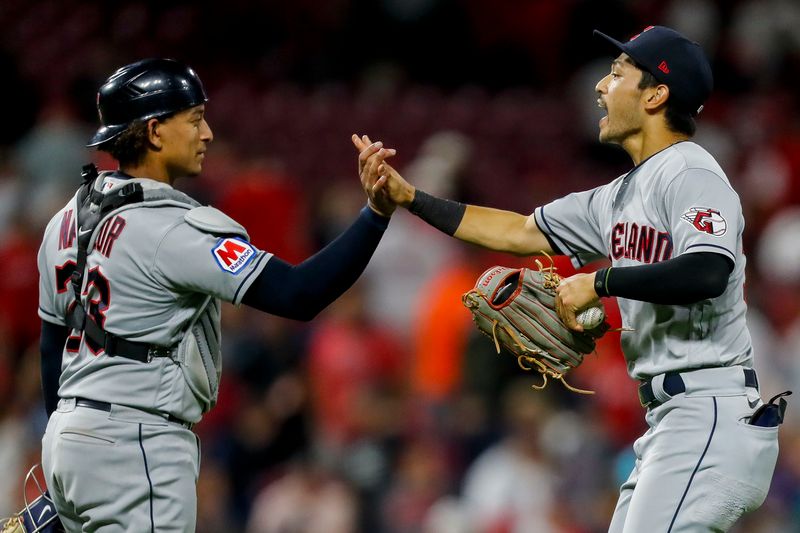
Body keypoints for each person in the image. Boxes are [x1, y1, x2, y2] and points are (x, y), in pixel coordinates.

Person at [357, 26, 784, 531]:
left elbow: (711, 270)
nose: (602, 86)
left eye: (617, 73)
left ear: (656, 94)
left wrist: (601, 282)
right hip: (673, 419)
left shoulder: (690, 171)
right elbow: (517, 230)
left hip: (709, 410)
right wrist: (410, 199)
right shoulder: (617, 195)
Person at [37, 58, 398, 532]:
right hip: (135, 445)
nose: (207, 133)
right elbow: (298, 294)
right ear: (155, 131)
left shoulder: (65, 220)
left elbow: (52, 348)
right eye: (194, 119)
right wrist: (375, 213)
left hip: (67, 441)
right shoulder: (171, 228)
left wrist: (72, 439)